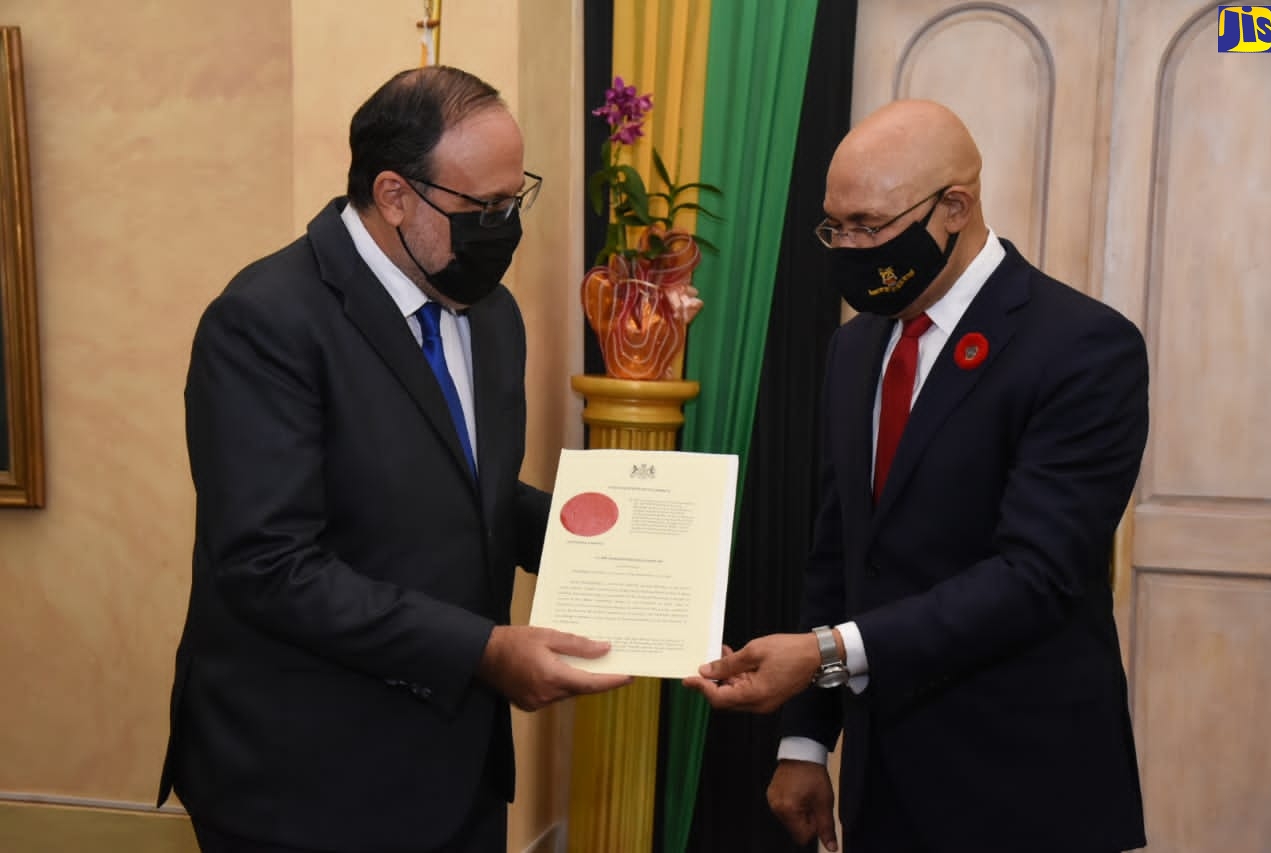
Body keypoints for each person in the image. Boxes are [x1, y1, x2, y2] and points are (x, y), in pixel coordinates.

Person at [158, 66, 632, 853]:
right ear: (394, 195)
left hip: (456, 770)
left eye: (517, 200)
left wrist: (608, 545)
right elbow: (269, 564)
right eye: (484, 208)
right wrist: (482, 651)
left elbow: (463, 491)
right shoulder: (265, 320)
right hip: (305, 780)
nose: (506, 227)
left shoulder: (492, 315)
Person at [683, 100, 1147, 853]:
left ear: (954, 208)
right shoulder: (856, 348)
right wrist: (804, 742)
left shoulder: (1084, 348)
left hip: (1025, 790)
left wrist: (827, 653)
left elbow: (1034, 576)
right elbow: (840, 549)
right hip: (885, 785)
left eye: (868, 225)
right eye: (835, 226)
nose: (847, 247)